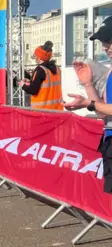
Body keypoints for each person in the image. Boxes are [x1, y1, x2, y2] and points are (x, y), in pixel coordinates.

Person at [64, 17, 112, 194]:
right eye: (104, 42)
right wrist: (87, 84)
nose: (106, 47)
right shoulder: (110, 72)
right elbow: (102, 112)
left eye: (109, 41)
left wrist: (88, 103)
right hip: (109, 140)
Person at [19, 41, 63, 110]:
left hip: (43, 112)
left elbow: (33, 90)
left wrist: (23, 85)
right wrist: (31, 82)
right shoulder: (57, 68)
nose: (34, 57)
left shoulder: (40, 70)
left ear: (39, 57)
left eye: (35, 55)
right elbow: (48, 84)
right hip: (57, 110)